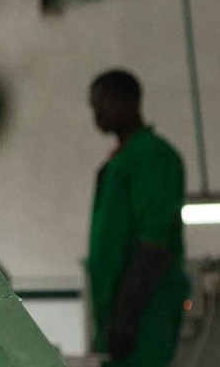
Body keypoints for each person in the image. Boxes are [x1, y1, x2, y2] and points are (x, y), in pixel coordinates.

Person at [86, 69, 190, 367]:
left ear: (131, 101)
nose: (97, 113)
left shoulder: (153, 156)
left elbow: (155, 241)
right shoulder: (120, 161)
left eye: (103, 103)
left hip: (144, 312)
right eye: (93, 107)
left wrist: (127, 314)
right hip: (117, 313)